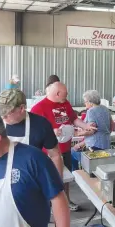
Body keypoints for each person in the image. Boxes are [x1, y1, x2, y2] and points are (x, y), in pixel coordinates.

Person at [31, 82, 97, 211]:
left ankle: (66, 200)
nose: (67, 96)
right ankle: (48, 203)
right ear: (57, 93)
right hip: (48, 153)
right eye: (65, 94)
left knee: (65, 179)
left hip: (65, 149)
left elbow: (74, 119)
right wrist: (51, 132)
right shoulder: (38, 108)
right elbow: (33, 133)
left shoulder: (65, 104)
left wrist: (86, 126)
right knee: (49, 179)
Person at [71, 90, 112, 170]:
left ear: (91, 102)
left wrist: (77, 133)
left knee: (72, 152)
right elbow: (111, 127)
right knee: (76, 149)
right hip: (106, 144)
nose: (84, 104)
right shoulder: (105, 109)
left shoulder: (91, 111)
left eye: (85, 102)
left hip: (94, 147)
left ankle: (75, 174)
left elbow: (92, 130)